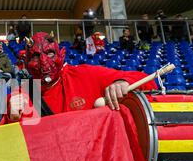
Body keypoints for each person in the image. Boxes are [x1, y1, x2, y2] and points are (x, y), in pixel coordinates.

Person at [11, 32, 157, 119]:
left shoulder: (85, 75)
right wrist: (9, 114)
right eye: (36, 57)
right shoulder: (22, 92)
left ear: (61, 55)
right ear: (26, 62)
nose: (43, 61)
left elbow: (148, 81)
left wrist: (122, 83)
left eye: (49, 53)